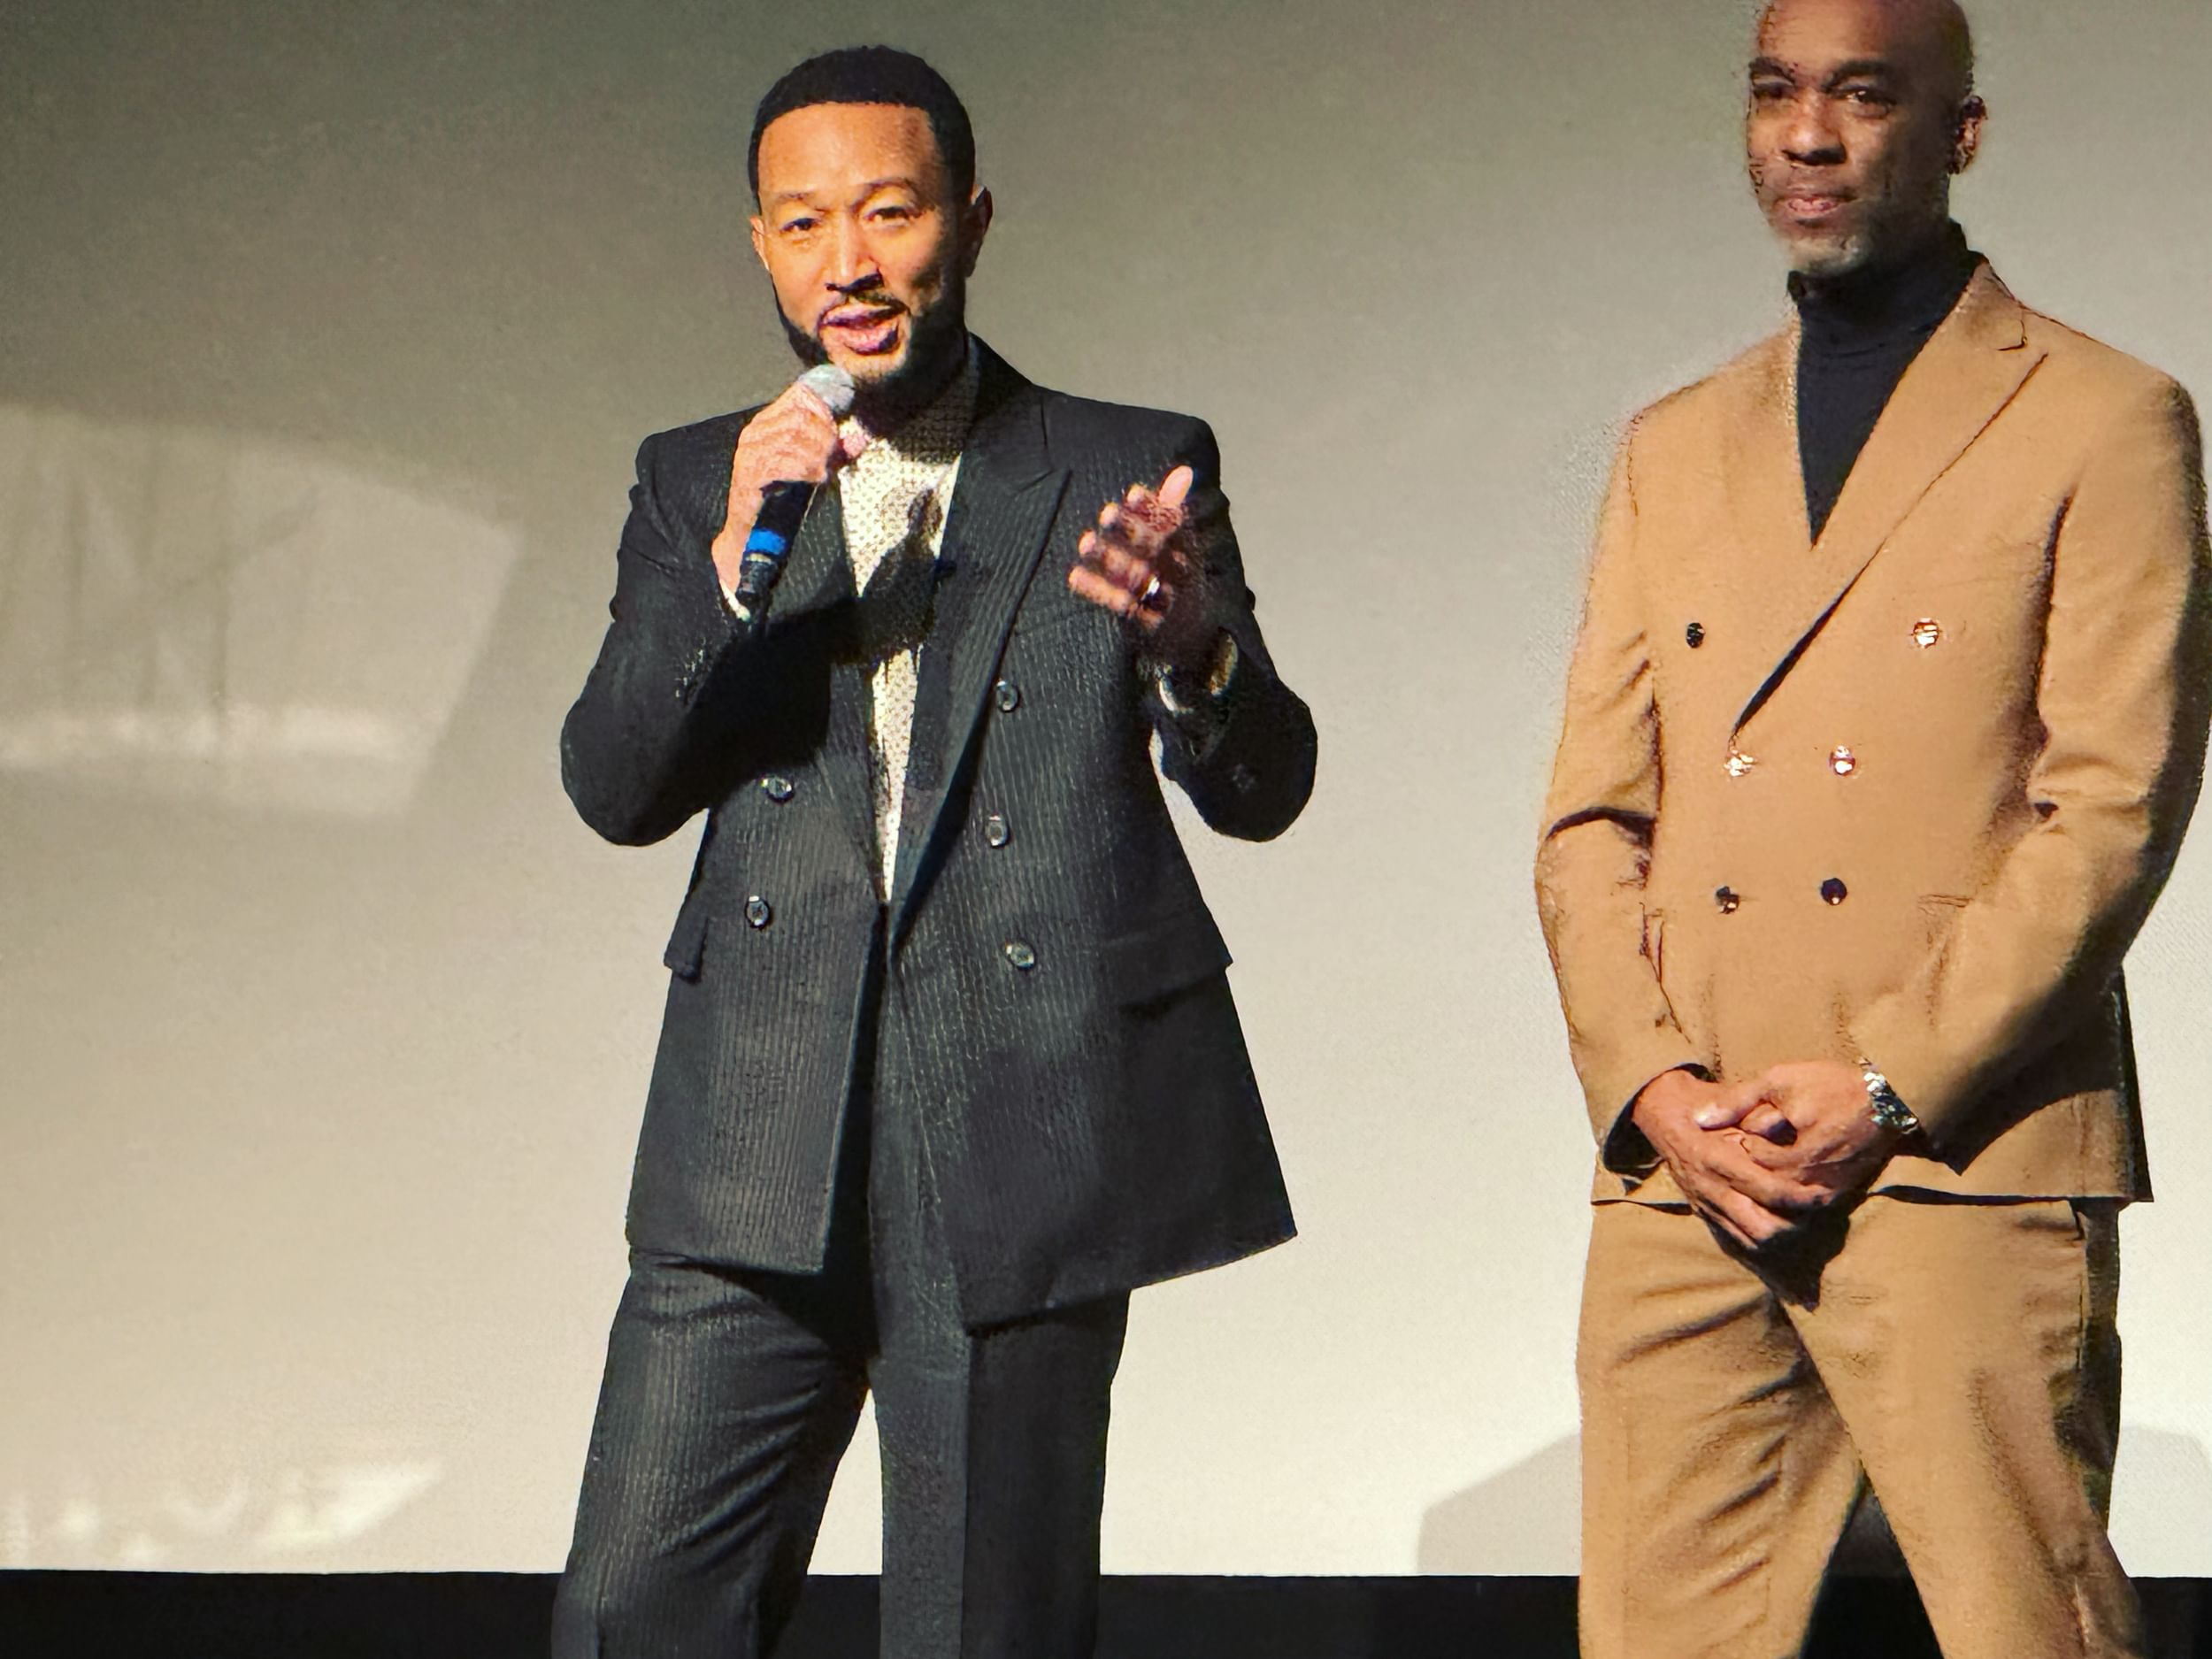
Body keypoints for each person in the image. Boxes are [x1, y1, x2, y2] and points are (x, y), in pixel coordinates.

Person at [549, 45, 1315, 1659]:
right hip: (755, 1120)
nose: (852, 263)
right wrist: (723, 573)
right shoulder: (701, 477)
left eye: (889, 213)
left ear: (966, 222)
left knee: (984, 1629)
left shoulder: (1120, 462)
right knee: (633, 1612)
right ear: (760, 245)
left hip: (1016, 1111)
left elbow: (1264, 786)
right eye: (807, 223)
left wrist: (1196, 653)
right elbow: (614, 787)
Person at [1535, 1, 2210, 1654]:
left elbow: (2110, 806)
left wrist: (1894, 1081)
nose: (1808, 137)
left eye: (1859, 96)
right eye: (1775, 95)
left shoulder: (2103, 417)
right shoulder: (1674, 443)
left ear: (1958, 132)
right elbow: (1590, 820)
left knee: (2021, 1632)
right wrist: (1653, 1091)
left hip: (1958, 1156)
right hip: (1692, 1175)